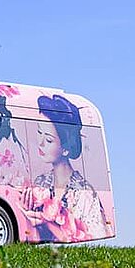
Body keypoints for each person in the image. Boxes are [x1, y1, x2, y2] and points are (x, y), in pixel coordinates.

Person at [21, 94, 108, 242]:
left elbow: (94, 235)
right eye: (39, 132)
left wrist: (48, 224)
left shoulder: (84, 193)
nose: (40, 143)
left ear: (66, 149)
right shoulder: (41, 183)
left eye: (48, 139)